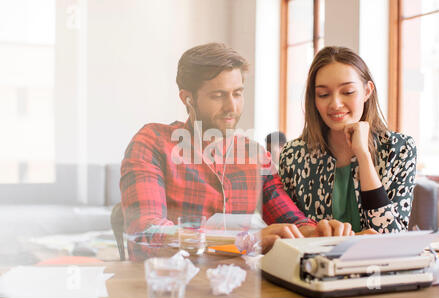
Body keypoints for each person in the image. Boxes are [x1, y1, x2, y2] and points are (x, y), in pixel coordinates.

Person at [120, 43, 353, 261]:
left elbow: (291, 221)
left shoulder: (254, 155)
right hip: (169, 287)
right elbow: (145, 232)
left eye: (237, 93)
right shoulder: (153, 142)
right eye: (218, 95)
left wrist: (323, 233)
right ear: (187, 99)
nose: (232, 107)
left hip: (235, 290)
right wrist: (244, 242)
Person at [279, 46, 417, 234]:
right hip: (316, 263)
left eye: (348, 92)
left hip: (380, 263)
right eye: (324, 95)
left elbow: (391, 236)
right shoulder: (294, 154)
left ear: (367, 91)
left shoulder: (399, 149)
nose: (335, 104)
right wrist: (354, 239)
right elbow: (290, 234)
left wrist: (363, 155)